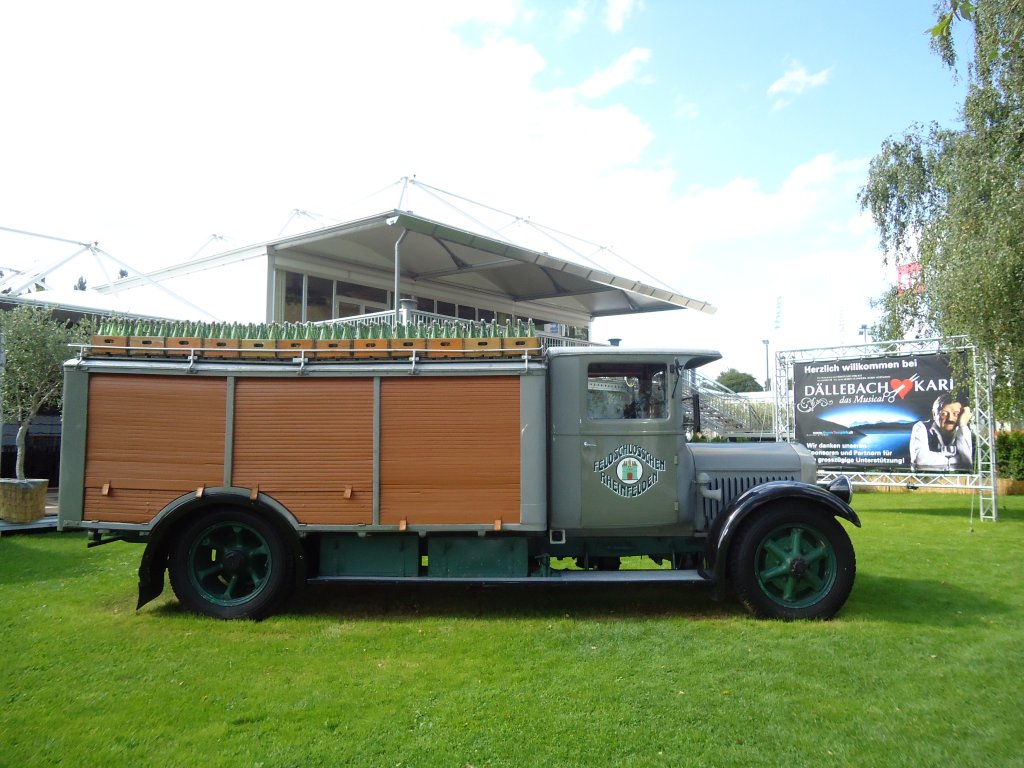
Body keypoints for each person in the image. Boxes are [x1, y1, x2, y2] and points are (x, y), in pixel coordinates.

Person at [909, 393, 973, 471]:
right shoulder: (921, 427)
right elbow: (921, 460)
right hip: (926, 479)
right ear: (934, 414)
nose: (950, 419)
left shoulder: (966, 429)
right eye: (944, 414)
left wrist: (963, 426)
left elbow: (969, 462)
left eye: (956, 414)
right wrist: (957, 460)